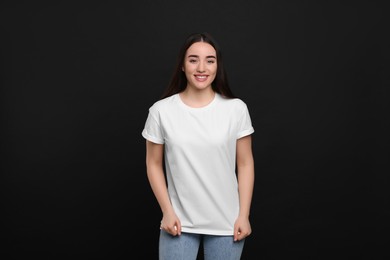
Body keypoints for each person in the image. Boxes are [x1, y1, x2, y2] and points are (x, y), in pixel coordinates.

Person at [141, 32, 255, 260]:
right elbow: (153, 164)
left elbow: (244, 163)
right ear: (182, 65)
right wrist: (167, 211)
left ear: (217, 66)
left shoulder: (236, 109)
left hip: (227, 225)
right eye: (193, 60)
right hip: (179, 223)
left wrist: (244, 215)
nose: (201, 67)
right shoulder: (161, 111)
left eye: (209, 60)